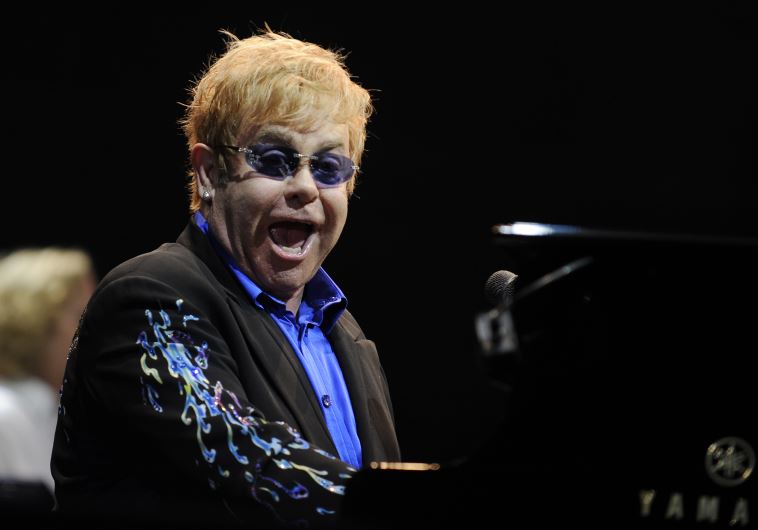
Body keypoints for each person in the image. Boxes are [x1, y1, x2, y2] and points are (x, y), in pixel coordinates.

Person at [52, 29, 400, 529]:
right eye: (274, 160)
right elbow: (247, 458)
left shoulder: (347, 336)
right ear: (210, 173)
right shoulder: (148, 297)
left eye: (328, 167)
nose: (305, 187)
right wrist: (431, 506)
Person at [0, 248, 96, 512]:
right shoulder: (5, 417)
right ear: (35, 323)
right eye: (80, 316)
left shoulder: (57, 412)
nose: (95, 332)